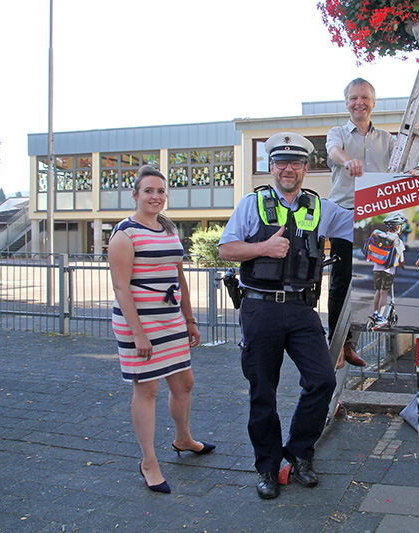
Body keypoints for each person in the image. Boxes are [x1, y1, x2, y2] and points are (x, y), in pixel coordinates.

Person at [218, 132, 354, 500]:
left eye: (296, 163)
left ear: (306, 168)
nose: (288, 169)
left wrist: (407, 197)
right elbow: (226, 248)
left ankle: (298, 454)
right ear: (271, 167)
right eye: (282, 163)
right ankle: (267, 466)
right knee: (263, 391)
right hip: (260, 307)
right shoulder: (253, 203)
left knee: (323, 380)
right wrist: (263, 247)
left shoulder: (321, 207)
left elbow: (363, 224)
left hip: (300, 308)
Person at [108, 165, 214, 495]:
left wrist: (190, 320)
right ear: (136, 195)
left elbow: (179, 278)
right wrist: (138, 333)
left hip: (170, 320)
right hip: (139, 323)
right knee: (147, 390)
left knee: (184, 382)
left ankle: (183, 438)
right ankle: (149, 461)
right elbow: (121, 288)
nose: (155, 196)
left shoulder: (167, 230)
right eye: (149, 191)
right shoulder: (124, 234)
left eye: (161, 191)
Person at [325, 78, 394, 366]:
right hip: (344, 214)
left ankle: (351, 342)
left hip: (376, 218)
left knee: (368, 283)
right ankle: (336, 344)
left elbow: (397, 169)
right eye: (354, 98)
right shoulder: (338, 133)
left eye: (364, 97)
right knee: (341, 281)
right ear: (346, 103)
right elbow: (332, 151)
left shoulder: (388, 139)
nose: (359, 103)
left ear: (373, 102)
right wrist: (347, 160)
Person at [369, 212, 408, 328]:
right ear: (397, 227)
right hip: (388, 271)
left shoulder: (380, 237)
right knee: (384, 293)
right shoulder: (398, 241)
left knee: (378, 291)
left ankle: (375, 313)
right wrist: (401, 265)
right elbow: (401, 260)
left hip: (376, 268)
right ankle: (380, 317)